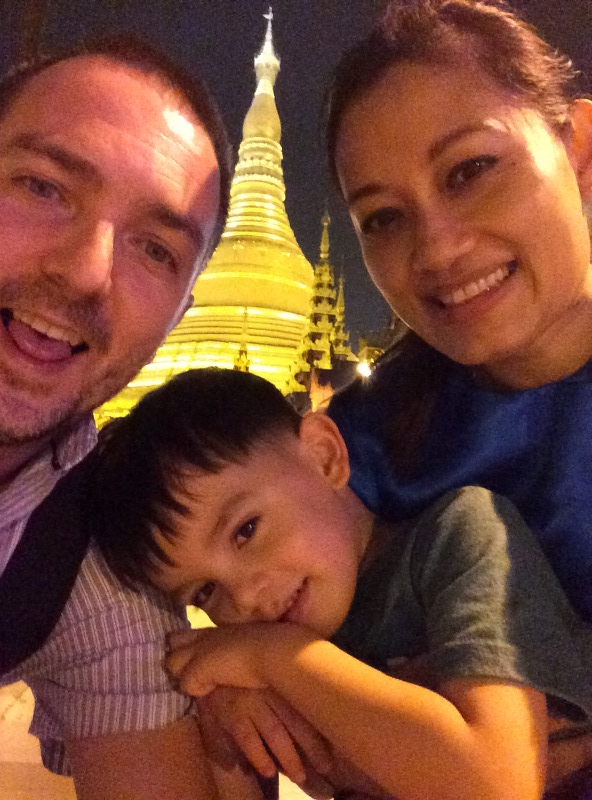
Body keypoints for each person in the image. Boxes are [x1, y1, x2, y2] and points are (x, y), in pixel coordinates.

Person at [86, 366, 592, 800]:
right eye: (205, 592)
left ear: (325, 456)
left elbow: (498, 783)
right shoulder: (281, 634)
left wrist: (279, 659)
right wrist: (224, 709)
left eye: (246, 530)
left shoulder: (460, 535)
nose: (244, 598)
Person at [0, 34, 275, 800]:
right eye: (43, 187)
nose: (86, 271)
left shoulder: (82, 573)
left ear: (179, 315)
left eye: (155, 250)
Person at [321, 0, 592, 624]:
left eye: (470, 170)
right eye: (383, 218)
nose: (438, 250)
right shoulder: (359, 447)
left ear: (578, 149)